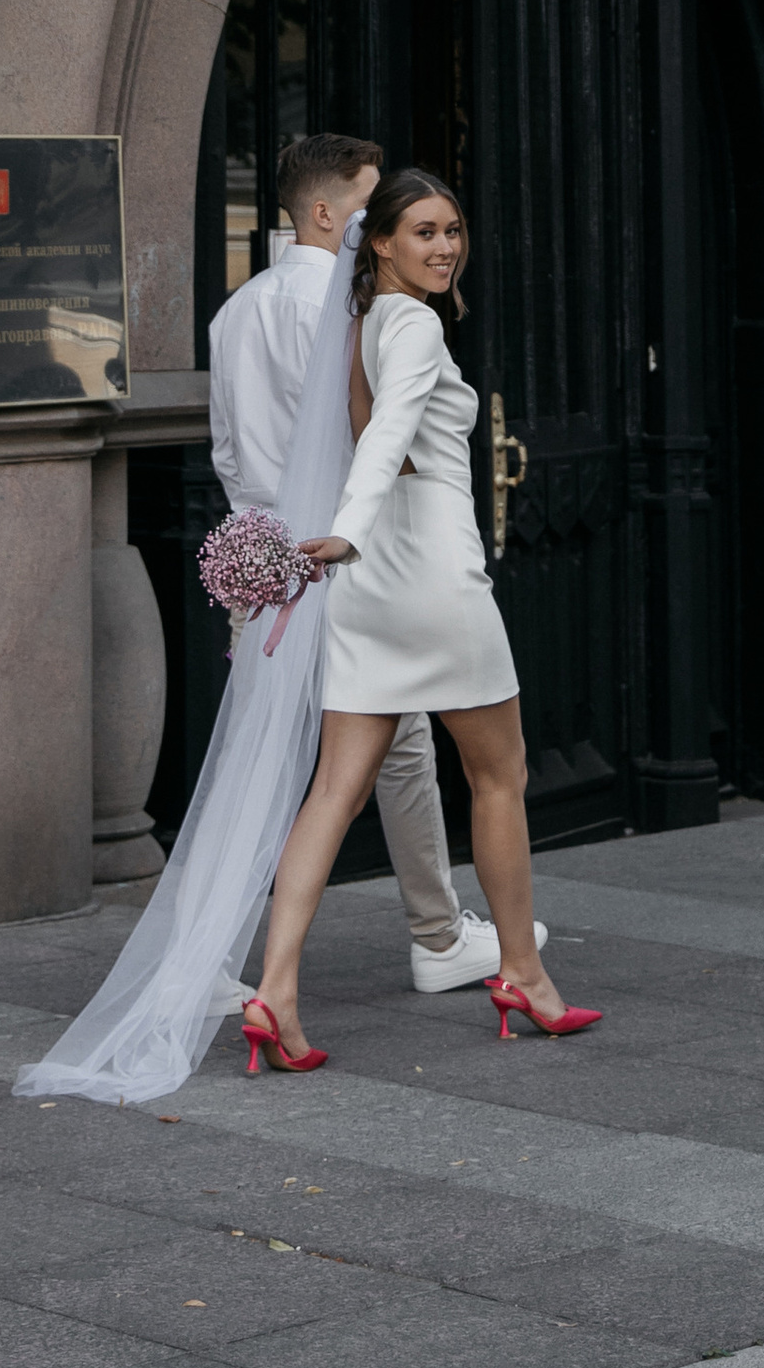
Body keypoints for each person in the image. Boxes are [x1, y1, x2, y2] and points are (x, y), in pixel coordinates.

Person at [241, 166, 601, 1071]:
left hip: (367, 595)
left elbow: (361, 440)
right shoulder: (409, 325)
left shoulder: (357, 324)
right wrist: (345, 534)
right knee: (500, 776)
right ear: (383, 245)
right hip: (432, 583)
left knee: (334, 790)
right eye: (425, 233)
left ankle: (276, 991)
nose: (444, 247)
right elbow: (393, 433)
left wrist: (344, 547)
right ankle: (524, 973)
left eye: (452, 230)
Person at [206, 132, 518, 996]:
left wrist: (256, 546)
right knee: (400, 756)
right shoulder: (359, 311)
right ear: (328, 215)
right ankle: (439, 933)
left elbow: (230, 453)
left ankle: (217, 952)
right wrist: (351, 529)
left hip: (268, 557)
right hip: (348, 557)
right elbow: (381, 438)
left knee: (267, 761)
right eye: (373, 207)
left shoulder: (236, 311)